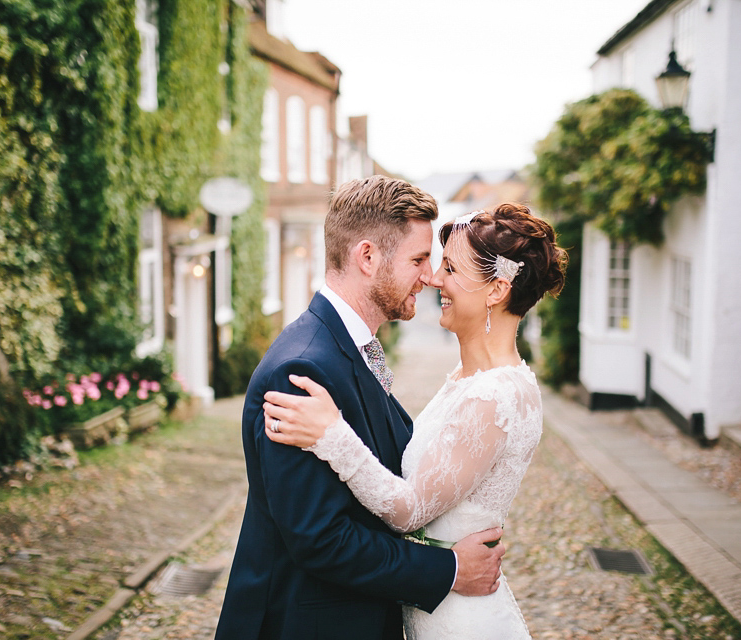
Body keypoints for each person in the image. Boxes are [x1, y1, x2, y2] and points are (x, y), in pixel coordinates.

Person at [214, 176, 506, 640]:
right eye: (418, 259)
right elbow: (321, 539)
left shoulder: (349, 348)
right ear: (367, 257)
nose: (430, 276)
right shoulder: (301, 369)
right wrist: (447, 569)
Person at [263, 203, 568, 639]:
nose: (435, 279)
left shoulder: (496, 395)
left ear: (497, 291)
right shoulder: (467, 380)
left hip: (459, 620)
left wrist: (333, 435)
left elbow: (409, 511)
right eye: (425, 262)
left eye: (451, 268)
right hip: (429, 604)